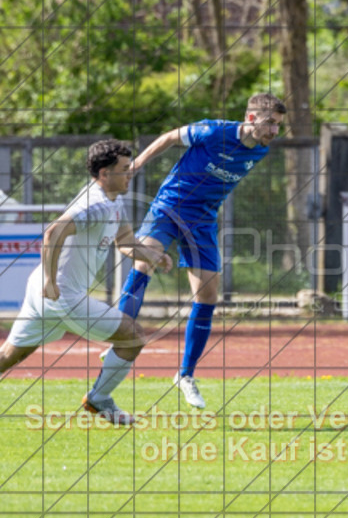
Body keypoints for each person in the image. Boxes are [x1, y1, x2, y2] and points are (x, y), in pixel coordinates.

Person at [0, 139, 172, 429]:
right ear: (104, 173)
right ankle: (99, 398)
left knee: (12, 353)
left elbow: (124, 242)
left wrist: (150, 255)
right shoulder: (96, 204)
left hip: (45, 292)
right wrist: (50, 279)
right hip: (61, 294)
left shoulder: (114, 200)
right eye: (124, 169)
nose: (130, 173)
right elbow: (52, 233)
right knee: (132, 335)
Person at [115, 92, 286, 409]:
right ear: (251, 118)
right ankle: (120, 334)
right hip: (169, 208)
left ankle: (185, 375)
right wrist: (137, 164)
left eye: (278, 126)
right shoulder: (212, 131)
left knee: (207, 296)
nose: (275, 131)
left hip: (203, 221)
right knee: (144, 261)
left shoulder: (259, 150)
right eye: (271, 123)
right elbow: (169, 137)